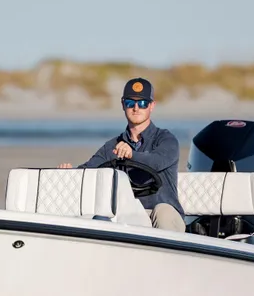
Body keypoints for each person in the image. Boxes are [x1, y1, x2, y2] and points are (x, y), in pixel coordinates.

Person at [58, 77, 186, 232]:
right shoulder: (113, 146)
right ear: (123, 105)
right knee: (101, 217)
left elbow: (157, 161)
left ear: (152, 106)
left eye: (143, 103)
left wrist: (131, 155)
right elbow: (89, 169)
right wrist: (69, 173)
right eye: (130, 103)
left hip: (165, 215)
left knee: (163, 211)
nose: (136, 108)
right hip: (132, 215)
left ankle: (168, 254)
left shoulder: (166, 139)